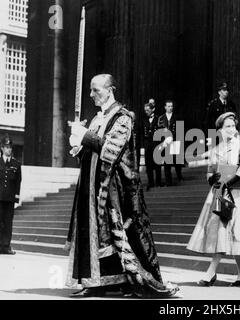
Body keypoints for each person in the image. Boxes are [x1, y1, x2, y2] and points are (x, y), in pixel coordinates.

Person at [66, 74, 179, 298]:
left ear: (111, 90)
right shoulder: (99, 118)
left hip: (114, 189)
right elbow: (94, 151)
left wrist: (84, 135)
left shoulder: (123, 117)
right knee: (96, 235)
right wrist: (80, 148)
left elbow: (110, 150)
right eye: (90, 90)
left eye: (95, 90)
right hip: (91, 186)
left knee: (117, 236)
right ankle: (97, 282)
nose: (91, 95)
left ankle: (128, 282)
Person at [187, 112, 240, 286]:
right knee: (223, 231)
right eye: (227, 126)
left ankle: (211, 272)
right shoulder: (215, 149)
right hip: (219, 194)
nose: (231, 129)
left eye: (233, 126)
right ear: (220, 129)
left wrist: (231, 179)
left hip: (236, 193)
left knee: (232, 231)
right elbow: (210, 170)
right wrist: (212, 179)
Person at [0, 135, 21, 255]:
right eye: (7, 147)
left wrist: (16, 197)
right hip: (0, 197)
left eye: (10, 147)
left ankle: (6, 246)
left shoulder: (16, 164)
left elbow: (18, 181)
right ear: (2, 148)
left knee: (8, 223)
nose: (9, 150)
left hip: (10, 198)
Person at [157, 100, 183, 186]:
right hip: (165, 142)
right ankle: (168, 181)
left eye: (171, 106)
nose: (170, 108)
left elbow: (180, 130)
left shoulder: (177, 117)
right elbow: (159, 130)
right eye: (168, 106)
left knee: (176, 161)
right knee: (167, 162)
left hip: (175, 141)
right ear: (165, 107)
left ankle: (179, 175)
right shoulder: (161, 118)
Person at [143, 102, 162, 191]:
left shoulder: (159, 119)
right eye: (145, 110)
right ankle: (150, 182)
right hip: (147, 144)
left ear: (152, 109)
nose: (146, 112)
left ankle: (158, 181)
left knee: (157, 163)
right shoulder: (143, 119)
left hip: (156, 143)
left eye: (148, 110)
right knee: (148, 164)